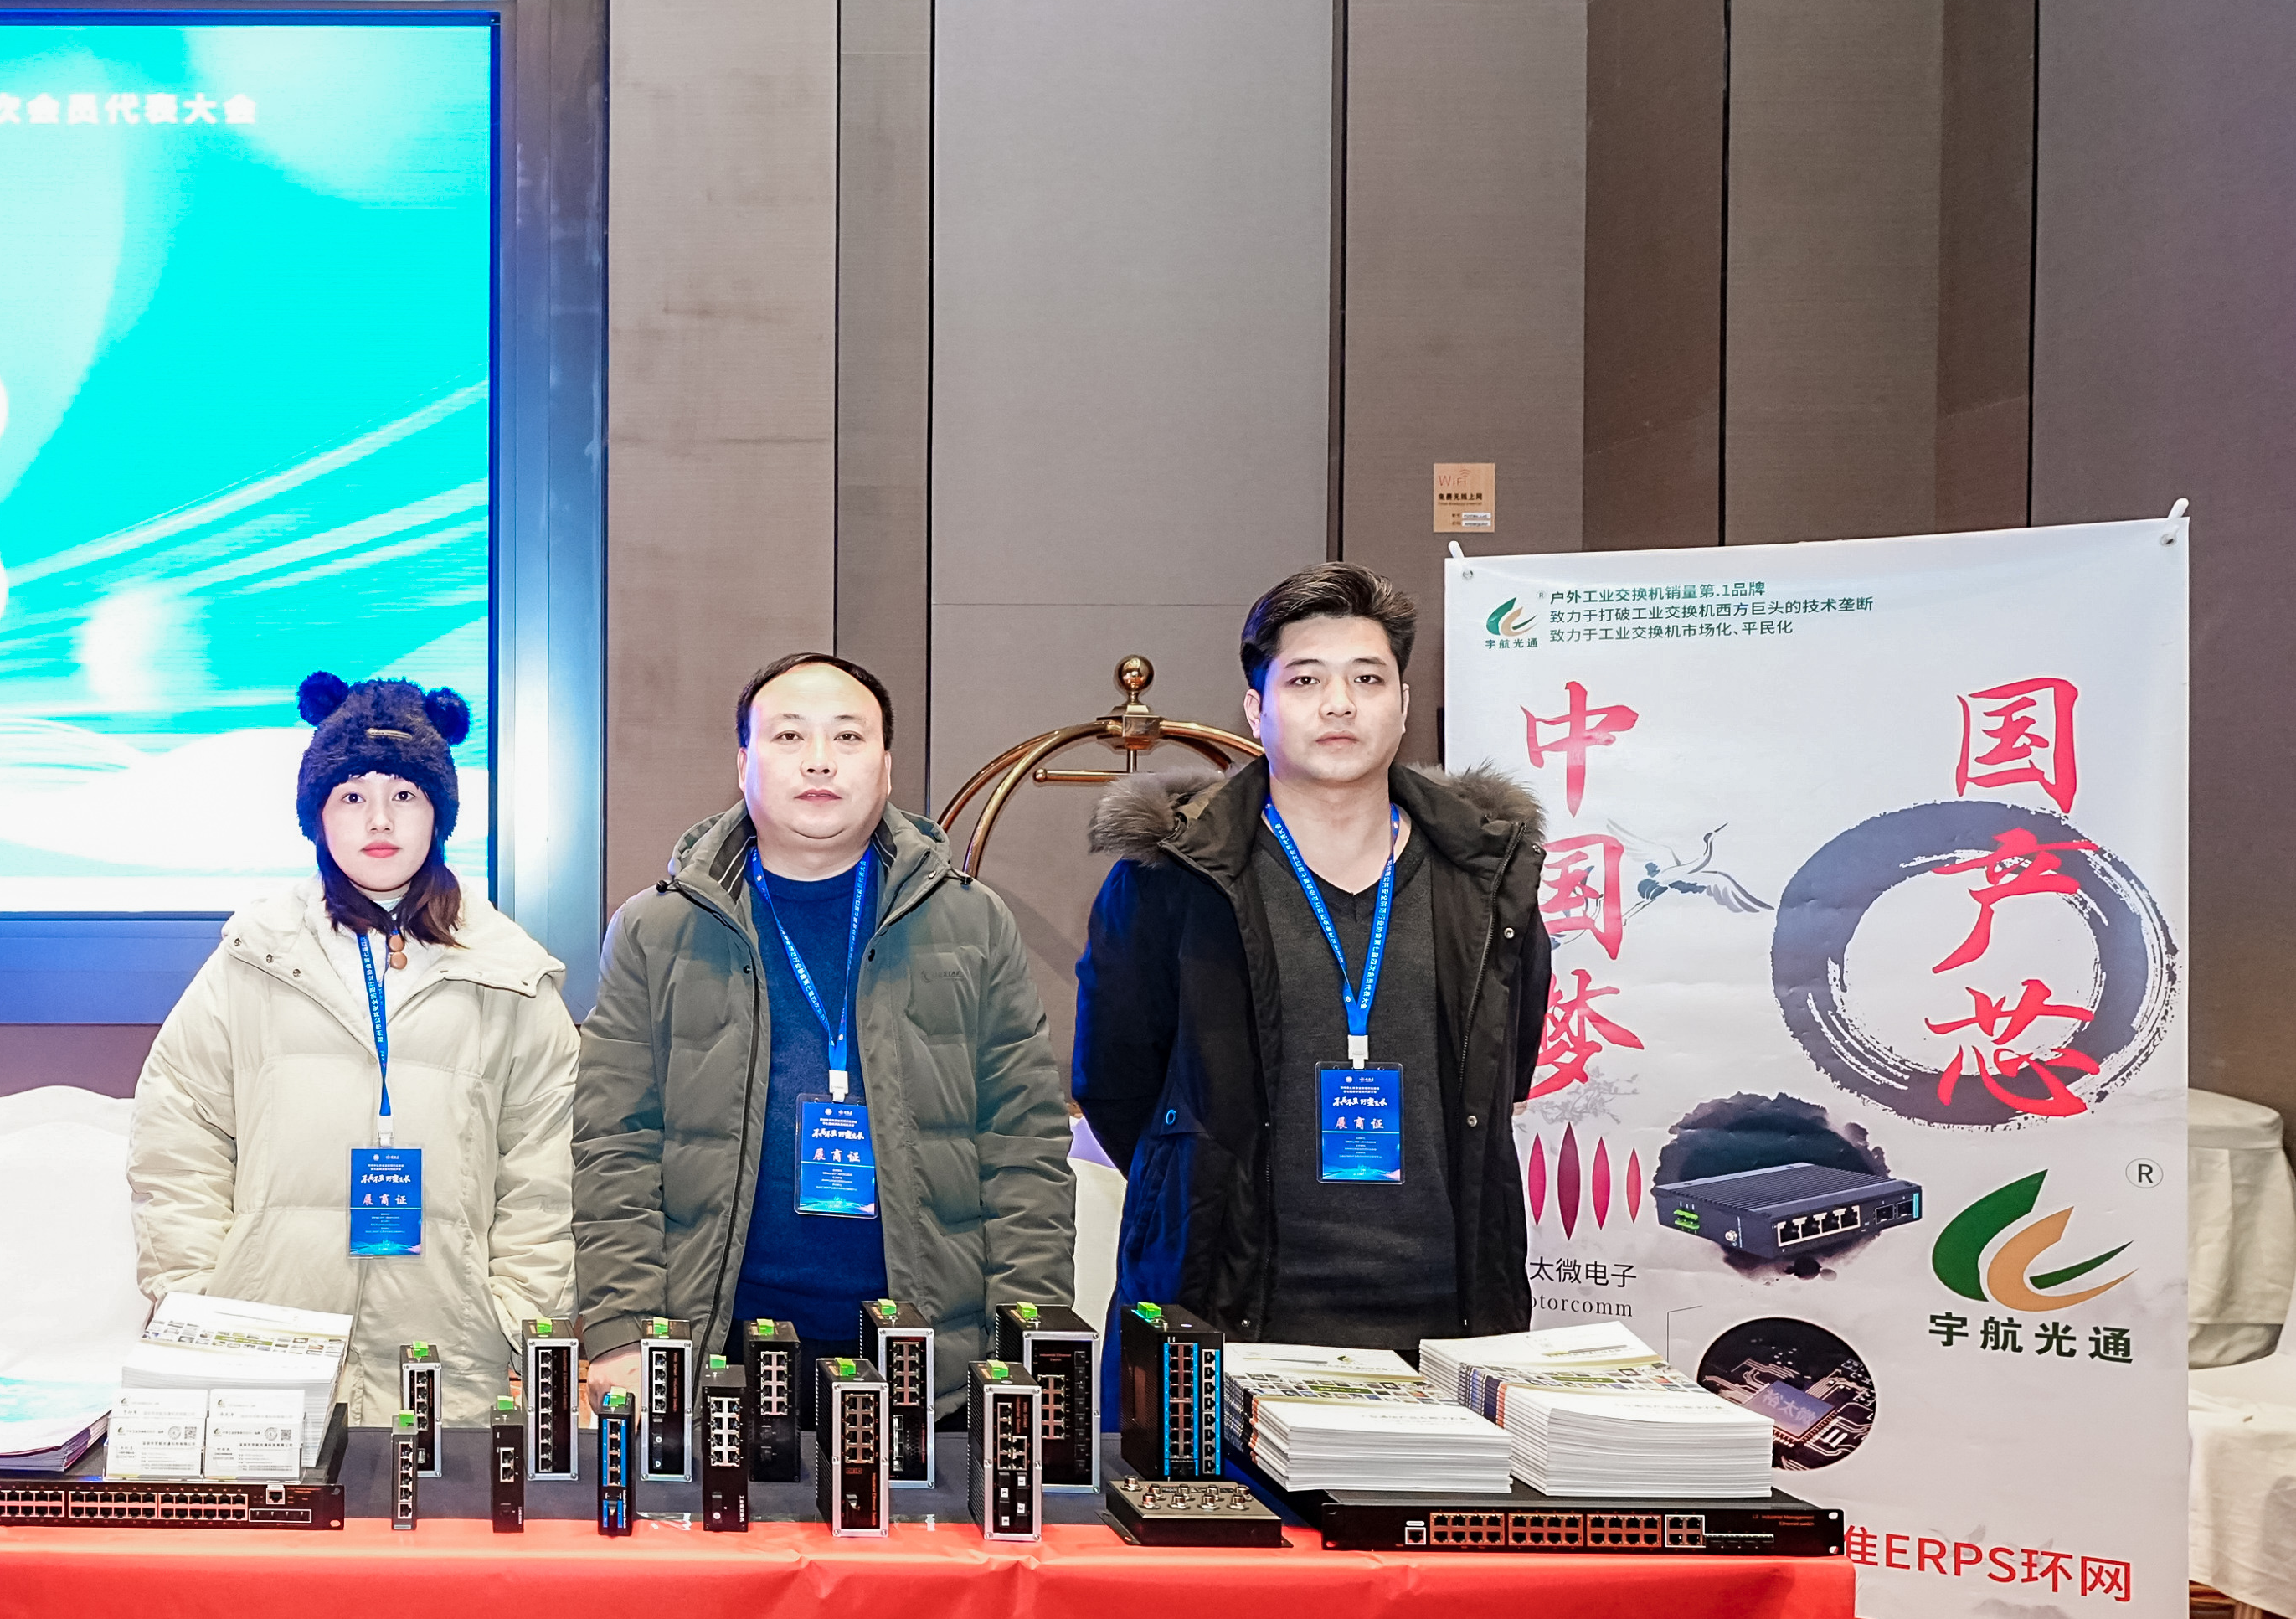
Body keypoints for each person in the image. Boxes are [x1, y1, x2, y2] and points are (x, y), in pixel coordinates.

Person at [1070, 562, 1552, 1359]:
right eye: (1305, 680)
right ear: (1256, 708)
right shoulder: (1175, 878)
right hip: (1225, 1315)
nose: (1339, 704)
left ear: (1403, 705)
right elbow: (1116, 1083)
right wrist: (1207, 1189)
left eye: (1367, 678)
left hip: (1452, 1321)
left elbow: (1508, 1067)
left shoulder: (1485, 875)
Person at [575, 651, 1073, 1408]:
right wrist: (622, 1330)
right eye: (787, 737)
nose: (818, 761)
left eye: (847, 736)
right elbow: (617, 1145)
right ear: (743, 764)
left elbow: (1023, 1145)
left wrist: (1029, 1336)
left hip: (931, 1363)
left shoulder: (971, 923)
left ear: (887, 767)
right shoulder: (658, 929)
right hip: (716, 1354)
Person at [128, 673, 578, 1412]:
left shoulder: (511, 974)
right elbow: (178, 1135)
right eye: (351, 796)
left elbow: (546, 1169)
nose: (380, 820)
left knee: (436, 1493)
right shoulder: (254, 957)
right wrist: (200, 1297)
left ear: (439, 812)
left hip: (451, 1361)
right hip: (266, 1352)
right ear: (318, 815)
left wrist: (516, 1316)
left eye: (404, 794)